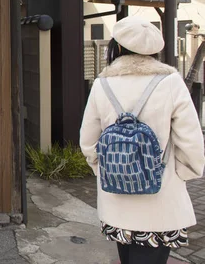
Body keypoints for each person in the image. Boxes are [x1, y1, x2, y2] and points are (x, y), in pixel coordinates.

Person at [80, 16, 205, 264]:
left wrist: (108, 170)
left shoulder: (102, 84)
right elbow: (191, 141)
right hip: (160, 197)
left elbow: (88, 142)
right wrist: (180, 174)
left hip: (115, 198)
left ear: (117, 47)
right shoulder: (170, 82)